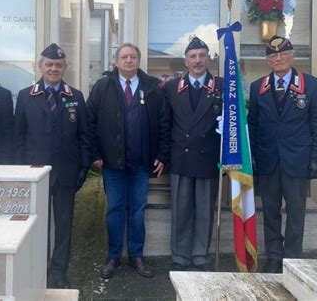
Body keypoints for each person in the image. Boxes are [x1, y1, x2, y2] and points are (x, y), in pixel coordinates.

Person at [87, 43, 170, 279]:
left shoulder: (153, 88)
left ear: (139, 60)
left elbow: (164, 124)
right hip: (112, 164)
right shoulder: (103, 87)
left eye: (133, 57)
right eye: (124, 57)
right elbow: (90, 123)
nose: (129, 60)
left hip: (141, 163)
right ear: (116, 61)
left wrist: (162, 156)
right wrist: (95, 154)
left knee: (137, 210)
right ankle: (113, 257)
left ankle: (136, 256)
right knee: (114, 210)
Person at [13, 43, 90, 289]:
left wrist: (84, 168)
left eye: (58, 65)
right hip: (36, 174)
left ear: (65, 67)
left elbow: (84, 136)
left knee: (64, 227)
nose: (54, 69)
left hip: (67, 173)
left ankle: (59, 273)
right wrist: (20, 172)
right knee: (36, 227)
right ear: (40, 66)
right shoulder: (26, 96)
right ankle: (38, 271)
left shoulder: (75, 96)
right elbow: (19, 137)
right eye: (49, 64)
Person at [248, 36, 317, 273]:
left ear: (292, 56)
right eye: (272, 55)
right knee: (270, 211)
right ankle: (273, 256)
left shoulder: (311, 85)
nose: (278, 59)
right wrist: (251, 158)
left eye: (282, 54)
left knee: (296, 212)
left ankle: (293, 260)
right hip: (268, 160)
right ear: (268, 61)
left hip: (298, 160)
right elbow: (253, 125)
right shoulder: (257, 87)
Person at [163, 37, 223, 272]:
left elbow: (232, 125)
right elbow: (165, 125)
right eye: (193, 56)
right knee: (181, 209)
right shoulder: (171, 87)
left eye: (202, 55)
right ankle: (179, 255)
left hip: (209, 158)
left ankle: (200, 255)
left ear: (208, 58)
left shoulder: (221, 85)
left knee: (205, 210)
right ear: (185, 61)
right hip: (181, 157)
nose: (197, 60)